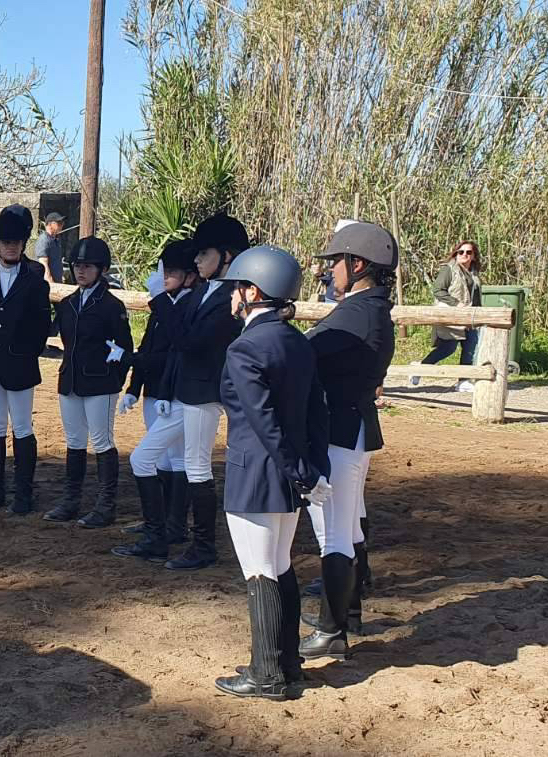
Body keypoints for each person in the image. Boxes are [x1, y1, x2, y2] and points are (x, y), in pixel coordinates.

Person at [211, 245, 332, 700]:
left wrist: (299, 470)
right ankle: (287, 663)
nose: (230, 297)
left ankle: (267, 675)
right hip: (290, 472)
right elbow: (316, 412)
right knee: (280, 566)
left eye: (236, 288)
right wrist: (311, 469)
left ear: (252, 291)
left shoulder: (245, 348)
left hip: (258, 473)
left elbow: (264, 423)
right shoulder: (298, 342)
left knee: (260, 571)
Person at [116, 213, 249, 568]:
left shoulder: (231, 301)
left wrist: (160, 298)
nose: (196, 260)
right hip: (181, 393)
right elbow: (175, 339)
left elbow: (190, 342)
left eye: (203, 253)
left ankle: (204, 546)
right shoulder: (203, 291)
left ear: (227, 256)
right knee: (143, 458)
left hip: (205, 393)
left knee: (196, 466)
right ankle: (157, 535)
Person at [297, 222, 398, 658]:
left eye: (335, 262)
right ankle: (348, 612)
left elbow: (301, 353)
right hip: (351, 427)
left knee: (333, 532)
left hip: (338, 429)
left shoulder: (356, 313)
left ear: (357, 264)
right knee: (348, 524)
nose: (329, 271)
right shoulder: (368, 308)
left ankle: (332, 630)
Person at [44, 237, 134, 525]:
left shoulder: (111, 305)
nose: (81, 271)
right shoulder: (68, 304)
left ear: (101, 269)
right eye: (77, 266)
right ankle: (71, 499)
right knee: (74, 441)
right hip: (70, 380)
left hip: (100, 383)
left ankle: (106, 504)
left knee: (101, 441)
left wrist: (113, 381)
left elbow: (124, 348)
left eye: (88, 267)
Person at [0, 204, 51, 515]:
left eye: (15, 243)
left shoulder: (33, 276)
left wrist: (25, 351)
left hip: (20, 362)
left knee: (21, 427)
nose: (11, 247)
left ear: (22, 244)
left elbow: (42, 322)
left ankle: (23, 494)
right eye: (6, 243)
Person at [117, 241, 196, 541]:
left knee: (174, 458)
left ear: (189, 277)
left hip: (175, 393)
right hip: (154, 391)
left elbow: (173, 349)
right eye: (164, 271)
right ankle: (162, 520)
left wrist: (131, 359)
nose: (164, 277)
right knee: (163, 459)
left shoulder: (186, 306)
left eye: (172, 272)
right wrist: (134, 387)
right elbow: (147, 344)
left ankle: (173, 526)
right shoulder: (163, 304)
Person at [414, 240, 482, 392]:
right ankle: (420, 369)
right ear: (456, 254)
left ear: (474, 256)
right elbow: (438, 290)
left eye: (468, 252)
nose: (464, 255)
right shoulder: (449, 270)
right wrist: (456, 304)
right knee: (448, 348)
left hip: (470, 316)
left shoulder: (473, 273)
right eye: (461, 252)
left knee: (470, 347)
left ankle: (463, 381)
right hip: (452, 315)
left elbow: (475, 296)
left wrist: (478, 315)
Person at [36, 211, 69, 284]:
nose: (62, 225)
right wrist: (51, 284)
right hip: (47, 285)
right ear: (50, 224)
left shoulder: (56, 240)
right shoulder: (44, 240)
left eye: (62, 223)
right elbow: (43, 264)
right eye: (59, 223)